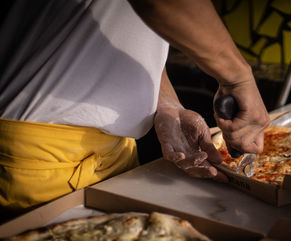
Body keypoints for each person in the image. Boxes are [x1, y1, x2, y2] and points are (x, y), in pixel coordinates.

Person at [0, 0, 269, 215]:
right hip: (43, 154)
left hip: (117, 149)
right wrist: (238, 77)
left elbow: (127, 28)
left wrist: (167, 104)